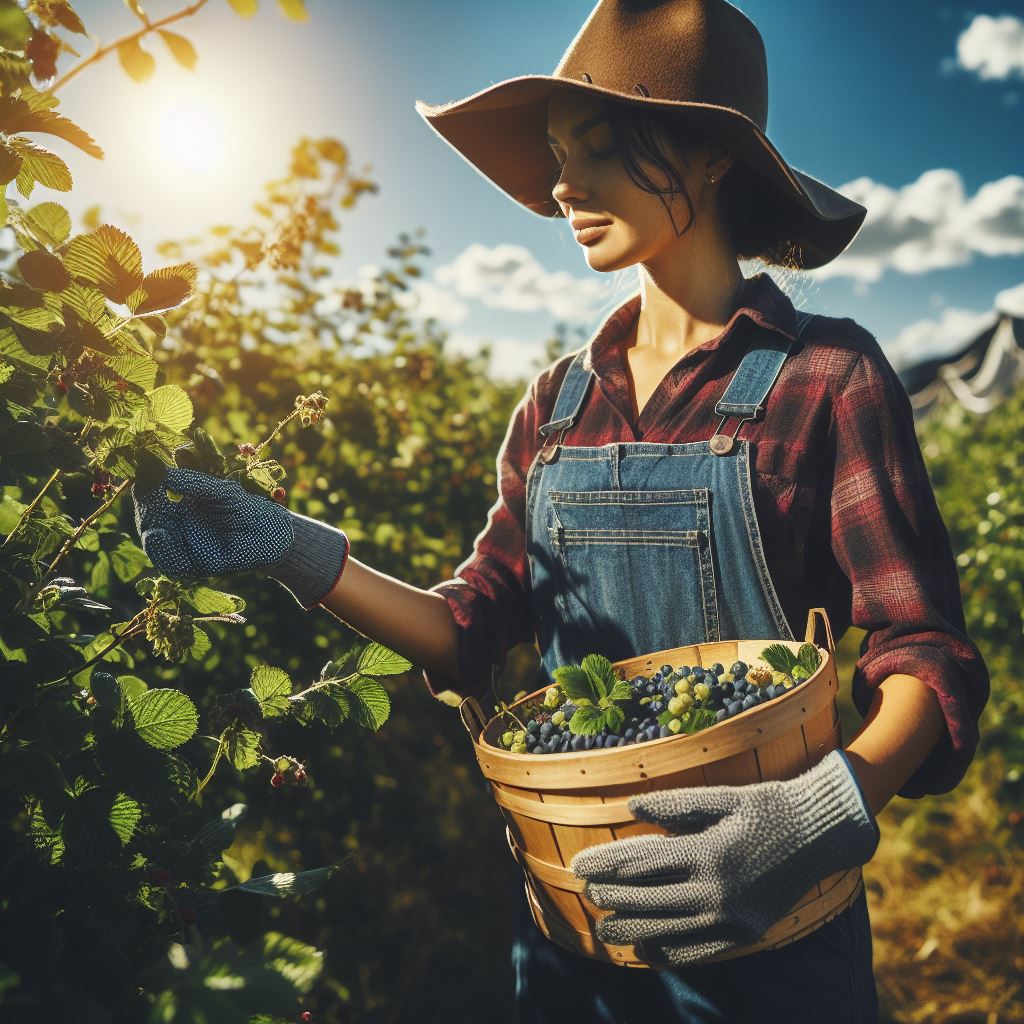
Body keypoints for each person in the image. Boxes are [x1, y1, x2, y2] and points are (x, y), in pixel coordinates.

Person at [132, 2, 990, 1021]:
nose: (561, 185)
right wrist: (293, 552)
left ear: (711, 154)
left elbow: (925, 653)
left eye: (596, 143)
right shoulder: (556, 400)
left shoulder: (825, 376)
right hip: (571, 935)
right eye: (553, 153)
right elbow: (470, 631)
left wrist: (814, 817)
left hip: (770, 937)